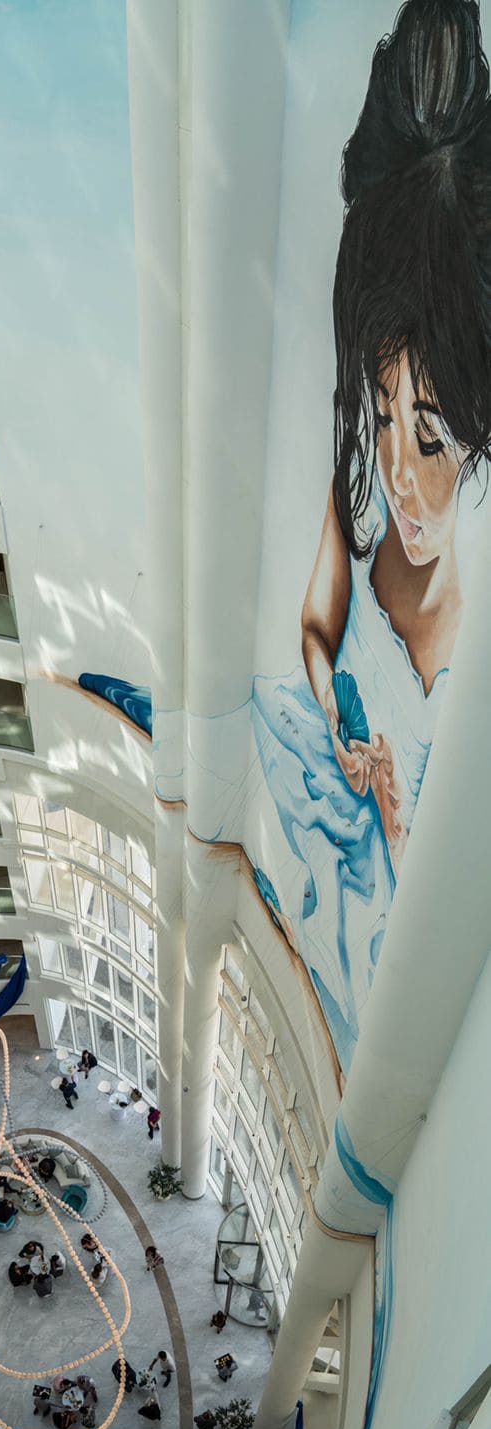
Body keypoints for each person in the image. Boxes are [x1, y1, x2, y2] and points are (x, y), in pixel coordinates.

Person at [252, 0, 491, 1071]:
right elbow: (315, 625)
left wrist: (397, 817)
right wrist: (330, 711)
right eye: (383, 415)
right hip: (308, 797)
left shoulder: (471, 658)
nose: (399, 469)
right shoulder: (360, 509)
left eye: (430, 434)